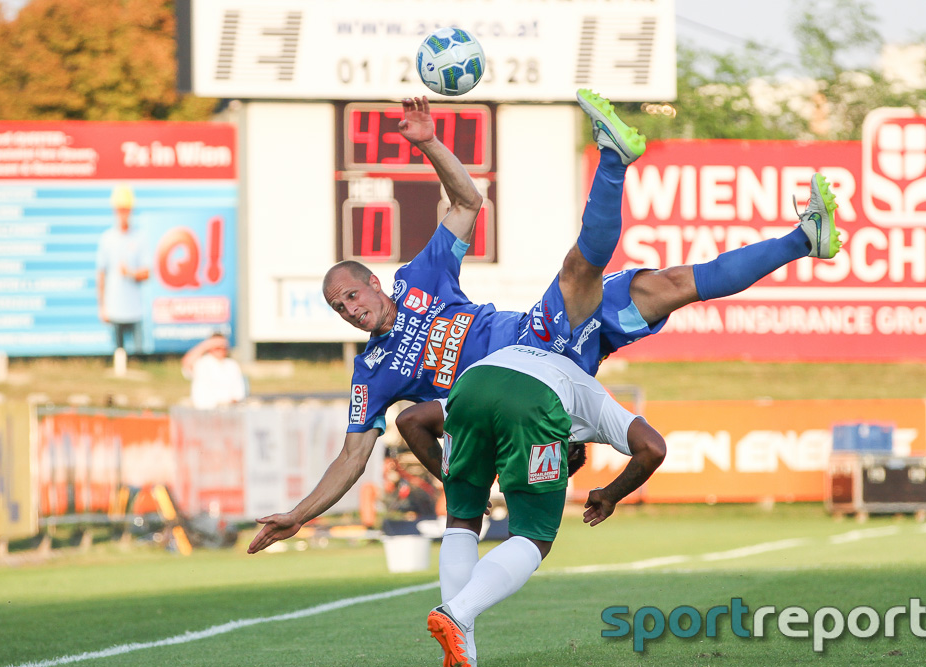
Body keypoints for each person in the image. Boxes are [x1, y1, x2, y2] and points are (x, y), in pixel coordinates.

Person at [247, 90, 839, 553]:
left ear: (374, 281)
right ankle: (613, 158)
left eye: (352, 294)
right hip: (525, 369)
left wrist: (429, 144)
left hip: (546, 342)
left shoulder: (420, 278)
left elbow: (468, 203)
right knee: (580, 267)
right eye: (340, 308)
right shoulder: (370, 374)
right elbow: (352, 457)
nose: (351, 310)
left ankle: (803, 239)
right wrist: (299, 515)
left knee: (673, 286)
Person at [396, 344, 666, 666]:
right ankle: (457, 612)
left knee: (462, 519)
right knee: (534, 536)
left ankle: (462, 651)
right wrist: (610, 495)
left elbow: (409, 419)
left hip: (471, 383)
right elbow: (654, 447)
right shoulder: (595, 402)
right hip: (536, 399)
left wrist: (452, 479)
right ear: (568, 448)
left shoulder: (524, 367)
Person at [96, 184, 150, 354]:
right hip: (115, 309)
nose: (123, 214)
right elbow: (101, 275)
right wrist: (102, 306)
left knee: (139, 357)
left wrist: (131, 273)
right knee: (118, 357)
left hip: (135, 311)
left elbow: (147, 273)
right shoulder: (107, 239)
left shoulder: (140, 237)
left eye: (126, 209)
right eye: (120, 209)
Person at [181, 333, 248, 409]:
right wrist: (206, 345)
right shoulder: (201, 363)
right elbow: (187, 362)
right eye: (217, 347)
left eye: (224, 346)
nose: (221, 349)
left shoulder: (232, 364)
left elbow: (239, 392)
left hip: (228, 410)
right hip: (206, 410)